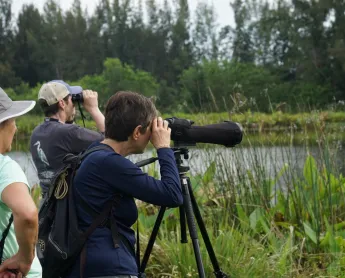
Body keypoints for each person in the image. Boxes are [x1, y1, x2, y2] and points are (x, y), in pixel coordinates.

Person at [66, 91, 183, 278]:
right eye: (149, 129)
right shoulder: (109, 163)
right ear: (137, 132)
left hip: (87, 264)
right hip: (109, 269)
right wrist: (163, 148)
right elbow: (172, 195)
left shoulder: (93, 153)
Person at [30, 80, 105, 200]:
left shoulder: (36, 132)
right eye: (71, 99)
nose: (74, 103)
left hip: (48, 209)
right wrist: (94, 109)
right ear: (62, 103)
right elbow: (110, 142)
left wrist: (69, 116)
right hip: (70, 211)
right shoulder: (69, 132)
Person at [0, 88, 42, 278]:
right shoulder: (5, 167)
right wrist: (25, 259)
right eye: (13, 120)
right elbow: (27, 214)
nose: (15, 128)